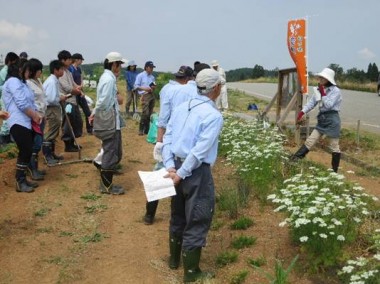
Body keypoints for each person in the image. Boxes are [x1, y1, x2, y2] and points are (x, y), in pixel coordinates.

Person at [162, 68, 223, 281]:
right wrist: (181, 173)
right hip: (195, 173)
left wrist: (171, 166)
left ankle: (173, 259)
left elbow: (168, 138)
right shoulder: (213, 116)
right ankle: (191, 272)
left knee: (177, 214)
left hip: (176, 166)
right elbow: (199, 151)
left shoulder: (181, 107)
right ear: (215, 88)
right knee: (198, 217)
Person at [143, 65, 193, 225]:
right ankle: (180, 215)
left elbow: (163, 119)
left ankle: (150, 214)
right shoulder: (193, 92)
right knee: (183, 174)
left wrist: (159, 142)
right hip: (184, 139)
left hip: (170, 138)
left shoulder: (167, 90)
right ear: (190, 79)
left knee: (161, 173)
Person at [290, 67, 343, 173]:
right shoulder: (319, 89)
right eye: (320, 77)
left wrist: (323, 94)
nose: (320, 79)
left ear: (328, 79)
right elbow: (312, 103)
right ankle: (294, 160)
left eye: (323, 78)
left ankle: (334, 171)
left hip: (332, 119)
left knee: (334, 146)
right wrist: (302, 112)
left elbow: (328, 105)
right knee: (310, 140)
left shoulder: (336, 91)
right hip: (322, 119)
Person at [2, 59, 43, 192]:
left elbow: (30, 101)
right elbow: (22, 103)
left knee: (27, 150)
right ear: (20, 70)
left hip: (26, 121)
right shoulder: (13, 81)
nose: (29, 72)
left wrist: (36, 113)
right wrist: (34, 115)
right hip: (17, 121)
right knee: (25, 150)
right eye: (27, 69)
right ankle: (20, 181)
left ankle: (23, 178)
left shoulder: (23, 83)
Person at [90, 52, 127, 195]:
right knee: (110, 152)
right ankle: (106, 186)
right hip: (109, 120)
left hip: (112, 120)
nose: (120, 68)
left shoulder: (108, 77)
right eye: (119, 65)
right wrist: (96, 112)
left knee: (113, 151)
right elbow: (104, 100)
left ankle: (107, 183)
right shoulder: (109, 79)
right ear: (113, 64)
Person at [57, 50, 83, 152]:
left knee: (76, 122)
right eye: (68, 59)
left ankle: (72, 142)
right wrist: (75, 90)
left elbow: (73, 84)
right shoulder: (61, 73)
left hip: (73, 100)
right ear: (63, 60)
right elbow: (67, 88)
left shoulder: (68, 72)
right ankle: (68, 144)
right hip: (66, 101)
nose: (70, 61)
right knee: (68, 122)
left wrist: (79, 89)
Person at [26, 58, 47, 180]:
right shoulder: (28, 84)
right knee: (36, 143)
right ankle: (32, 169)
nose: (41, 72)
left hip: (42, 115)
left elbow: (42, 98)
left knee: (38, 142)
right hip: (35, 117)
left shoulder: (38, 81)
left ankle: (35, 168)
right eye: (39, 70)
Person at [42, 60, 66, 165]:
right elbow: (51, 99)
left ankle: (52, 153)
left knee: (55, 130)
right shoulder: (51, 81)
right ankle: (48, 156)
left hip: (54, 108)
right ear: (56, 70)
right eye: (61, 69)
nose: (63, 71)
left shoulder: (54, 80)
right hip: (51, 108)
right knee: (51, 131)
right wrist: (60, 98)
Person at [69, 53, 93, 134]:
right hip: (74, 94)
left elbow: (81, 78)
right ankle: (76, 131)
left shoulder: (78, 69)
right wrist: (79, 89)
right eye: (80, 60)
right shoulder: (70, 69)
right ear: (76, 60)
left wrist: (81, 85)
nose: (81, 61)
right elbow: (71, 82)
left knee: (87, 111)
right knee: (75, 114)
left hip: (80, 93)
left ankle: (90, 129)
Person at [0, 52, 19, 145]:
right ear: (11, 61)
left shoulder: (9, 69)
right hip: (5, 97)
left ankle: (7, 139)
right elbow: (4, 86)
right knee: (5, 118)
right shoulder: (5, 71)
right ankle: (3, 139)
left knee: (9, 117)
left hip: (8, 97)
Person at [134, 61, 156, 135]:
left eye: (153, 68)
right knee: (145, 113)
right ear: (146, 67)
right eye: (151, 67)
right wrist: (144, 89)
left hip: (151, 94)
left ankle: (147, 130)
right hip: (144, 95)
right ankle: (141, 129)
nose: (152, 69)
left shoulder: (152, 77)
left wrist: (153, 87)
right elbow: (136, 86)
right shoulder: (140, 76)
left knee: (150, 113)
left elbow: (153, 86)